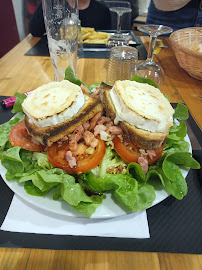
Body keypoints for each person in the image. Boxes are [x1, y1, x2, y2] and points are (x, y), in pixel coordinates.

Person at [29, 0, 111, 37]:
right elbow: (35, 31)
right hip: (59, 56)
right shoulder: (54, 4)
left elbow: (107, 39)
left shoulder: (102, 10)